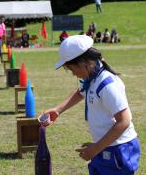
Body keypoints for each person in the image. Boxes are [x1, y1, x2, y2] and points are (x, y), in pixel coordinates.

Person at [41, 35, 140, 175]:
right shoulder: (90, 78)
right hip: (105, 146)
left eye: (71, 69)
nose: (73, 74)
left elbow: (124, 121)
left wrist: (96, 148)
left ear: (82, 63)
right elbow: (81, 92)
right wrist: (58, 110)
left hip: (119, 149)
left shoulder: (107, 85)